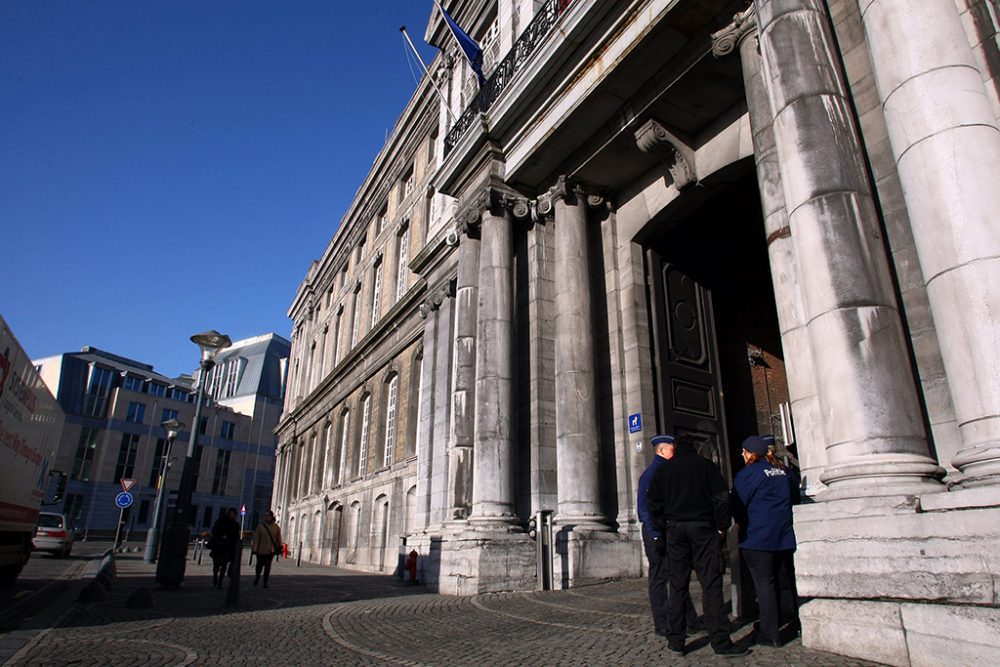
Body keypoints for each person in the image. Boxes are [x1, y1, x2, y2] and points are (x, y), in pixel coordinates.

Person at [647, 433, 747, 658]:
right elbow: (722, 498)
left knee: (678, 585)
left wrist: (663, 527)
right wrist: (721, 526)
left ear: (675, 448)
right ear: (695, 448)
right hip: (703, 529)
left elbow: (653, 502)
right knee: (711, 585)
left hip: (675, 530)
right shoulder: (707, 467)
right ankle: (720, 642)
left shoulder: (663, 471)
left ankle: (676, 641)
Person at [732, 435, 800, 647]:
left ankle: (770, 632)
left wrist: (740, 524)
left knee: (765, 584)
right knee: (785, 581)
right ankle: (791, 620)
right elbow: (795, 500)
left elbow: (738, 505)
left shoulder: (749, 474)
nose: (742, 455)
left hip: (758, 537)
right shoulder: (785, 472)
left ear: (750, 453)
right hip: (783, 537)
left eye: (743, 452)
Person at [636, 434, 699, 637]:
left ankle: (689, 619)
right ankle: (662, 623)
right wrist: (655, 535)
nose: (675, 451)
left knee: (678, 574)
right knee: (659, 577)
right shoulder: (652, 473)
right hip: (657, 532)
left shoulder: (669, 470)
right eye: (672, 448)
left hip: (670, 530)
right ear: (662, 450)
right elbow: (644, 509)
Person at [208, 508, 240, 589]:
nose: (231, 515)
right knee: (216, 565)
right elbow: (214, 530)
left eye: (233, 514)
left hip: (227, 547)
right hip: (218, 546)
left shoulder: (235, 524)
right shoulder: (221, 521)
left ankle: (220, 582)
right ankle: (215, 576)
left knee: (224, 564)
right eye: (230, 513)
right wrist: (221, 536)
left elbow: (236, 536)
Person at [251, 510, 282, 588]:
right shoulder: (261, 527)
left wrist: (280, 545)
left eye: (268, 516)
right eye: (265, 516)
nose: (266, 517)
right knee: (259, 565)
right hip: (261, 549)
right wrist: (254, 548)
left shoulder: (276, 527)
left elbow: (278, 537)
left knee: (267, 566)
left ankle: (265, 581)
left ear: (271, 517)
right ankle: (257, 576)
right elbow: (256, 538)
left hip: (270, 550)